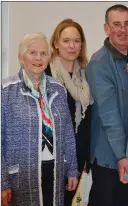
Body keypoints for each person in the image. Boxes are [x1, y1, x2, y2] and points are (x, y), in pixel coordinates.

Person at [1, 32, 79, 206]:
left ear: (49, 57)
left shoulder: (59, 89)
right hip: (20, 175)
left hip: (54, 170)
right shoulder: (6, 91)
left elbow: (67, 133)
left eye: (43, 53)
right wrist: (2, 181)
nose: (38, 58)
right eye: (33, 53)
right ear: (21, 57)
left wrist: (72, 169)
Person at [85, 4, 128, 206]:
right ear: (107, 28)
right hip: (109, 156)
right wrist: (121, 156)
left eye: (127, 24)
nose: (122, 30)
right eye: (117, 24)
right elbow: (109, 116)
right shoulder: (99, 63)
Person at [45, 18, 92, 206]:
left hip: (78, 155)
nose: (72, 46)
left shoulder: (87, 75)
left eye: (76, 41)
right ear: (56, 44)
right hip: (51, 157)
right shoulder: (45, 74)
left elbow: (89, 119)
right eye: (66, 41)